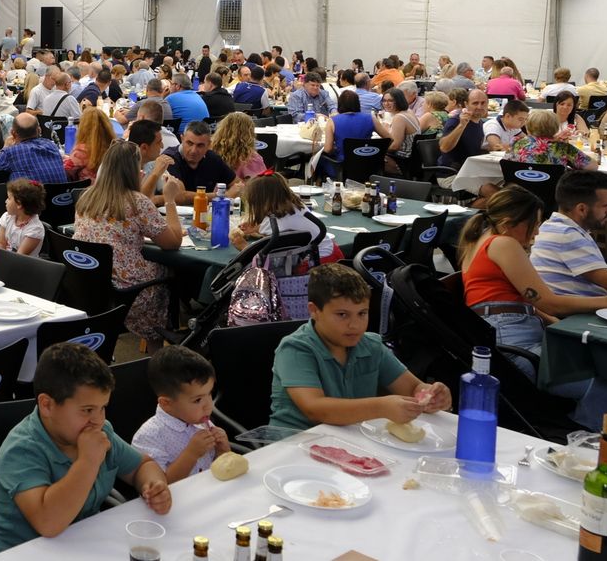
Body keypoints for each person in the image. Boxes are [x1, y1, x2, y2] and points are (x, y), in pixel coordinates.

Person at [459, 185, 607, 430]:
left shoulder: (482, 241)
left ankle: (571, 439)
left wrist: (555, 322)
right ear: (508, 223)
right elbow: (548, 301)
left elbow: (519, 302)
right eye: (533, 224)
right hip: (515, 348)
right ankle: (571, 444)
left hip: (509, 338)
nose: (536, 232)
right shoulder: (503, 244)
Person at [0, 342, 170, 554]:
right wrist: (88, 461)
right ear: (47, 405)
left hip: (84, 543)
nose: (98, 420)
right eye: (87, 410)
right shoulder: (22, 450)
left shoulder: (101, 432)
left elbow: (142, 466)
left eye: (103, 408)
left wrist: (154, 485)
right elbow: (48, 523)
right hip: (25, 553)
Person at [269, 264, 452, 430]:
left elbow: (413, 388)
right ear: (314, 310)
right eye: (342, 314)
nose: (355, 325)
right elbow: (316, 409)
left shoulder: (371, 345)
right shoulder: (295, 349)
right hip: (294, 444)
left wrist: (431, 396)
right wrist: (381, 407)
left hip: (352, 439)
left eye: (362, 313)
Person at [74, 142, 184, 339]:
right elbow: (173, 243)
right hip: (128, 291)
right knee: (175, 271)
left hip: (89, 285)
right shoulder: (136, 202)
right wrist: (170, 200)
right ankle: (158, 342)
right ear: (133, 170)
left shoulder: (86, 197)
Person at [531, 170, 607, 298]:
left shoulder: (551, 226)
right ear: (582, 209)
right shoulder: (566, 235)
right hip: (580, 314)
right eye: (606, 205)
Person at [130, 345, 230, 483]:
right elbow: (161, 486)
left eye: (210, 393)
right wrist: (191, 454)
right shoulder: (149, 437)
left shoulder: (201, 421)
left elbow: (219, 469)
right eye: (198, 400)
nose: (209, 405)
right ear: (166, 403)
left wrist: (222, 451)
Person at [231, 170, 340, 260]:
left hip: (316, 263)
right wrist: (258, 227)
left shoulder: (276, 225)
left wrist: (244, 247)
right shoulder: (296, 205)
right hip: (330, 250)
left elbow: (271, 259)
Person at [158, 120, 235, 204]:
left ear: (209, 145)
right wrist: (221, 196)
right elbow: (179, 196)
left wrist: (233, 191)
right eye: (189, 143)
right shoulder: (169, 158)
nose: (193, 150)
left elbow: (237, 185)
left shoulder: (213, 158)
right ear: (182, 139)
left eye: (200, 145)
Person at [0, 112, 67, 184]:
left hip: (29, 203)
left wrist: (5, 147)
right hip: (58, 202)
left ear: (13, 133)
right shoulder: (51, 146)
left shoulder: (11, 152)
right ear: (39, 130)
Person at [0, 178, 47, 272]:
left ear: (19, 204)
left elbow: (19, 257)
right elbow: (0, 242)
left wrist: (1, 269)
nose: (5, 201)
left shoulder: (35, 230)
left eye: (8, 198)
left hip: (25, 270)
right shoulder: (7, 217)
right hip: (9, 263)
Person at [508, 109, 597, 170]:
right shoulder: (563, 148)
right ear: (555, 128)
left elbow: (505, 165)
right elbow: (593, 167)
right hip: (553, 193)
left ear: (528, 127)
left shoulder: (516, 142)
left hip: (520, 192)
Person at [439, 89, 495, 182]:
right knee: (491, 190)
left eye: (483, 103)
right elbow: (444, 148)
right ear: (466, 104)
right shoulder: (455, 121)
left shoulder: (480, 123)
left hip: (473, 171)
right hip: (452, 174)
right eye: (475, 103)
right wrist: (461, 125)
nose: (479, 106)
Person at [209, 112, 265, 183]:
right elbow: (260, 185)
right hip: (240, 192)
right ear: (250, 133)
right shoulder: (251, 158)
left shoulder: (209, 151)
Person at [63, 107, 113, 182]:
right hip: (109, 188)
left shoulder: (82, 150)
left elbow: (66, 170)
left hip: (87, 191)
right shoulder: (113, 147)